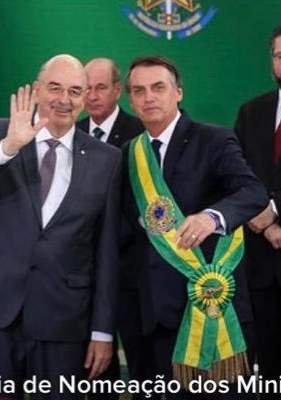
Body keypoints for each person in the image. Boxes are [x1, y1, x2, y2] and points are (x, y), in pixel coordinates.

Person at [0, 54, 121, 400]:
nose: (64, 99)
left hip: (62, 315)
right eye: (55, 88)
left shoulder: (107, 158)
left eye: (75, 91)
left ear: (85, 98)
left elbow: (106, 250)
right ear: (37, 90)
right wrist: (8, 147)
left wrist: (103, 331)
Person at [121, 55, 268, 399]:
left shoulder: (214, 139)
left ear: (178, 93)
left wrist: (212, 217)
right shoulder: (129, 153)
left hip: (215, 312)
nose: (149, 97)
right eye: (139, 91)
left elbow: (253, 192)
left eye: (158, 87)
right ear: (131, 100)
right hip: (156, 317)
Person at [77, 57, 144, 399]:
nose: (92, 96)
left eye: (100, 87)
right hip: (84, 269)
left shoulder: (141, 132)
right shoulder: (71, 133)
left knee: (142, 364)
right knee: (93, 368)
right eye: (85, 88)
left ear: (118, 90)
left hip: (132, 268)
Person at [234, 26, 281, 400]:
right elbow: (237, 176)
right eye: (279, 55)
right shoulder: (252, 112)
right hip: (260, 268)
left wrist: (275, 212)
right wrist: (263, 224)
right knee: (267, 372)